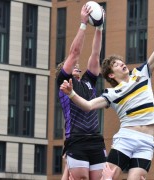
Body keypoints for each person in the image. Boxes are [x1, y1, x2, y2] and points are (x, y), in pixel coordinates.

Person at [60, 9, 154, 180]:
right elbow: (89, 106)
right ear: (111, 75)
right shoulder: (112, 94)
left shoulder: (142, 74)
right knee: (107, 178)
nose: (122, 64)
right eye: (116, 64)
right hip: (126, 139)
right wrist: (71, 94)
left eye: (121, 62)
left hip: (147, 142)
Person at [56, 3, 106, 180]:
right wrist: (83, 24)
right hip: (76, 139)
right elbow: (75, 53)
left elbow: (95, 54)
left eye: (78, 66)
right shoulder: (64, 82)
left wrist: (99, 28)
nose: (77, 66)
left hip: (95, 140)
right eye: (73, 66)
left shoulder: (88, 81)